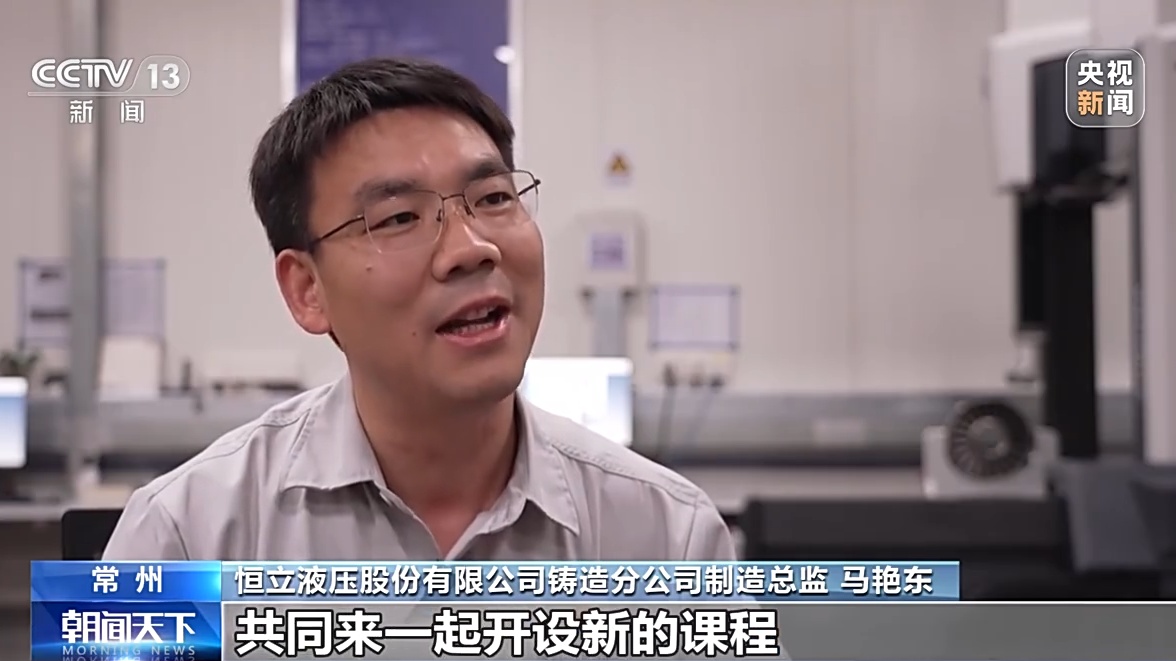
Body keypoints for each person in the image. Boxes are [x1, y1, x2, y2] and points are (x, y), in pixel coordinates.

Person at [103, 58, 735, 561]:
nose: (472, 248)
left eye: (494, 198)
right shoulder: (185, 537)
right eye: (399, 218)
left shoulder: (667, 536)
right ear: (307, 289)